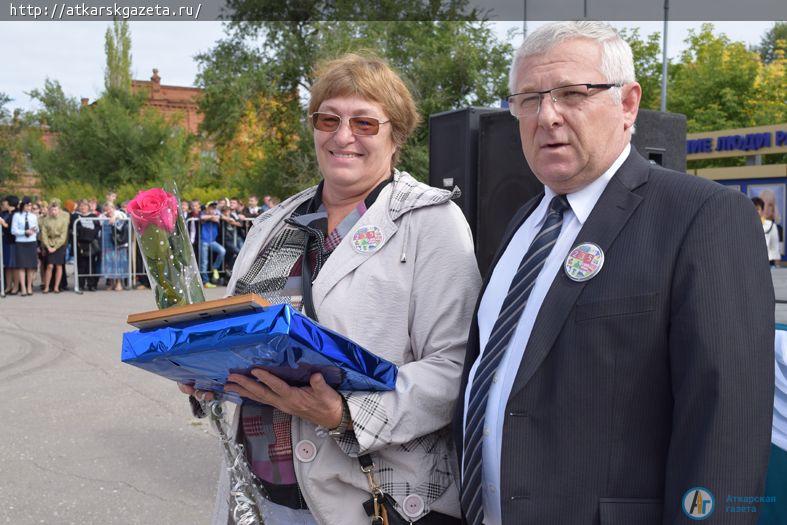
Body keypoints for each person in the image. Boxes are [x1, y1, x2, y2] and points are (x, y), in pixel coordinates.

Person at [454, 21, 774, 525]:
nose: (547, 116)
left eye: (572, 94)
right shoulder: (522, 222)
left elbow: (725, 426)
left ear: (628, 104)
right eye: (529, 99)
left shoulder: (701, 216)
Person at [179, 52, 480, 525]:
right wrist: (205, 372)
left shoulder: (430, 222)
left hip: (372, 501)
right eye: (329, 119)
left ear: (396, 134)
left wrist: (344, 413)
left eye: (364, 122)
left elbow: (454, 367)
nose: (343, 136)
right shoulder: (274, 223)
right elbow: (235, 329)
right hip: (256, 496)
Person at [10, 197, 39, 296]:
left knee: (30, 266)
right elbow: (13, 231)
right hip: (21, 242)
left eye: (30, 205)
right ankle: (23, 288)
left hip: (31, 242)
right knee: (21, 266)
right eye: (27, 205)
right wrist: (24, 232)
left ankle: (29, 286)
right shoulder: (17, 216)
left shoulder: (33, 216)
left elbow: (37, 229)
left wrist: (34, 230)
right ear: (23, 206)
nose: (29, 207)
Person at [39, 198, 70, 293]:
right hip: (49, 243)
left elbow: (63, 235)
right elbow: (43, 234)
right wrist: (48, 246)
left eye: (55, 209)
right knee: (49, 266)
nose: (53, 211)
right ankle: (47, 286)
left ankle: (56, 287)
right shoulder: (46, 220)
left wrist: (55, 247)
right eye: (52, 209)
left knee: (59, 266)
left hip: (60, 245)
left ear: (59, 210)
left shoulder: (63, 219)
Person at [99, 201, 129, 291]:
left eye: (110, 208)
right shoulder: (102, 217)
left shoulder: (120, 215)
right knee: (109, 263)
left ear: (114, 208)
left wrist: (115, 217)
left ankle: (119, 283)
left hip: (118, 243)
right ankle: (111, 282)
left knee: (118, 262)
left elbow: (124, 219)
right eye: (106, 209)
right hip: (107, 244)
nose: (109, 211)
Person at [198, 201, 225, 289]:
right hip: (204, 241)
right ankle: (205, 281)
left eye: (214, 208)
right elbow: (202, 217)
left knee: (222, 251)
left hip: (212, 241)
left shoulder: (217, 213)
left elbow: (218, 218)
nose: (212, 209)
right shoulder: (202, 213)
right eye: (211, 207)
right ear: (207, 208)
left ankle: (215, 267)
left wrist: (213, 217)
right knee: (204, 262)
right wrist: (211, 217)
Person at [75, 200, 100, 291]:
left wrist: (87, 233)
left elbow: (97, 228)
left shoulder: (93, 216)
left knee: (91, 265)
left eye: (85, 206)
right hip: (80, 243)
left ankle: (91, 284)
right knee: (81, 265)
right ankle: (81, 284)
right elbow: (75, 229)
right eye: (81, 206)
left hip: (91, 243)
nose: (83, 208)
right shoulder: (76, 217)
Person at [753, 196, 780, 266]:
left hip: (767, 263)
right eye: (753, 209)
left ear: (762, 211)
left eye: (757, 209)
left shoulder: (771, 226)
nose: (755, 211)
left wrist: (777, 268)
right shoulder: (744, 225)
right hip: (750, 263)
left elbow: (775, 248)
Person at [1, 195, 18, 294]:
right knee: (7, 265)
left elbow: (12, 228)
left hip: (13, 242)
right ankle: (8, 286)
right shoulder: (4, 213)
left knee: (14, 265)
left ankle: (15, 286)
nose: (4, 203)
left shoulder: (16, 214)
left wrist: (3, 224)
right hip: (5, 242)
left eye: (6, 202)